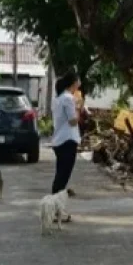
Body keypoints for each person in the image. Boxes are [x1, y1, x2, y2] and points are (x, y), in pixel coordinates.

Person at [50, 70, 82, 211]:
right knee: (63, 177)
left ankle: (55, 206)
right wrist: (79, 108)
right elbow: (73, 121)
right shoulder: (68, 98)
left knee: (60, 175)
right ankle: (57, 208)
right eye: (78, 81)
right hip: (68, 140)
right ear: (74, 83)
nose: (79, 83)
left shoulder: (58, 98)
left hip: (59, 140)